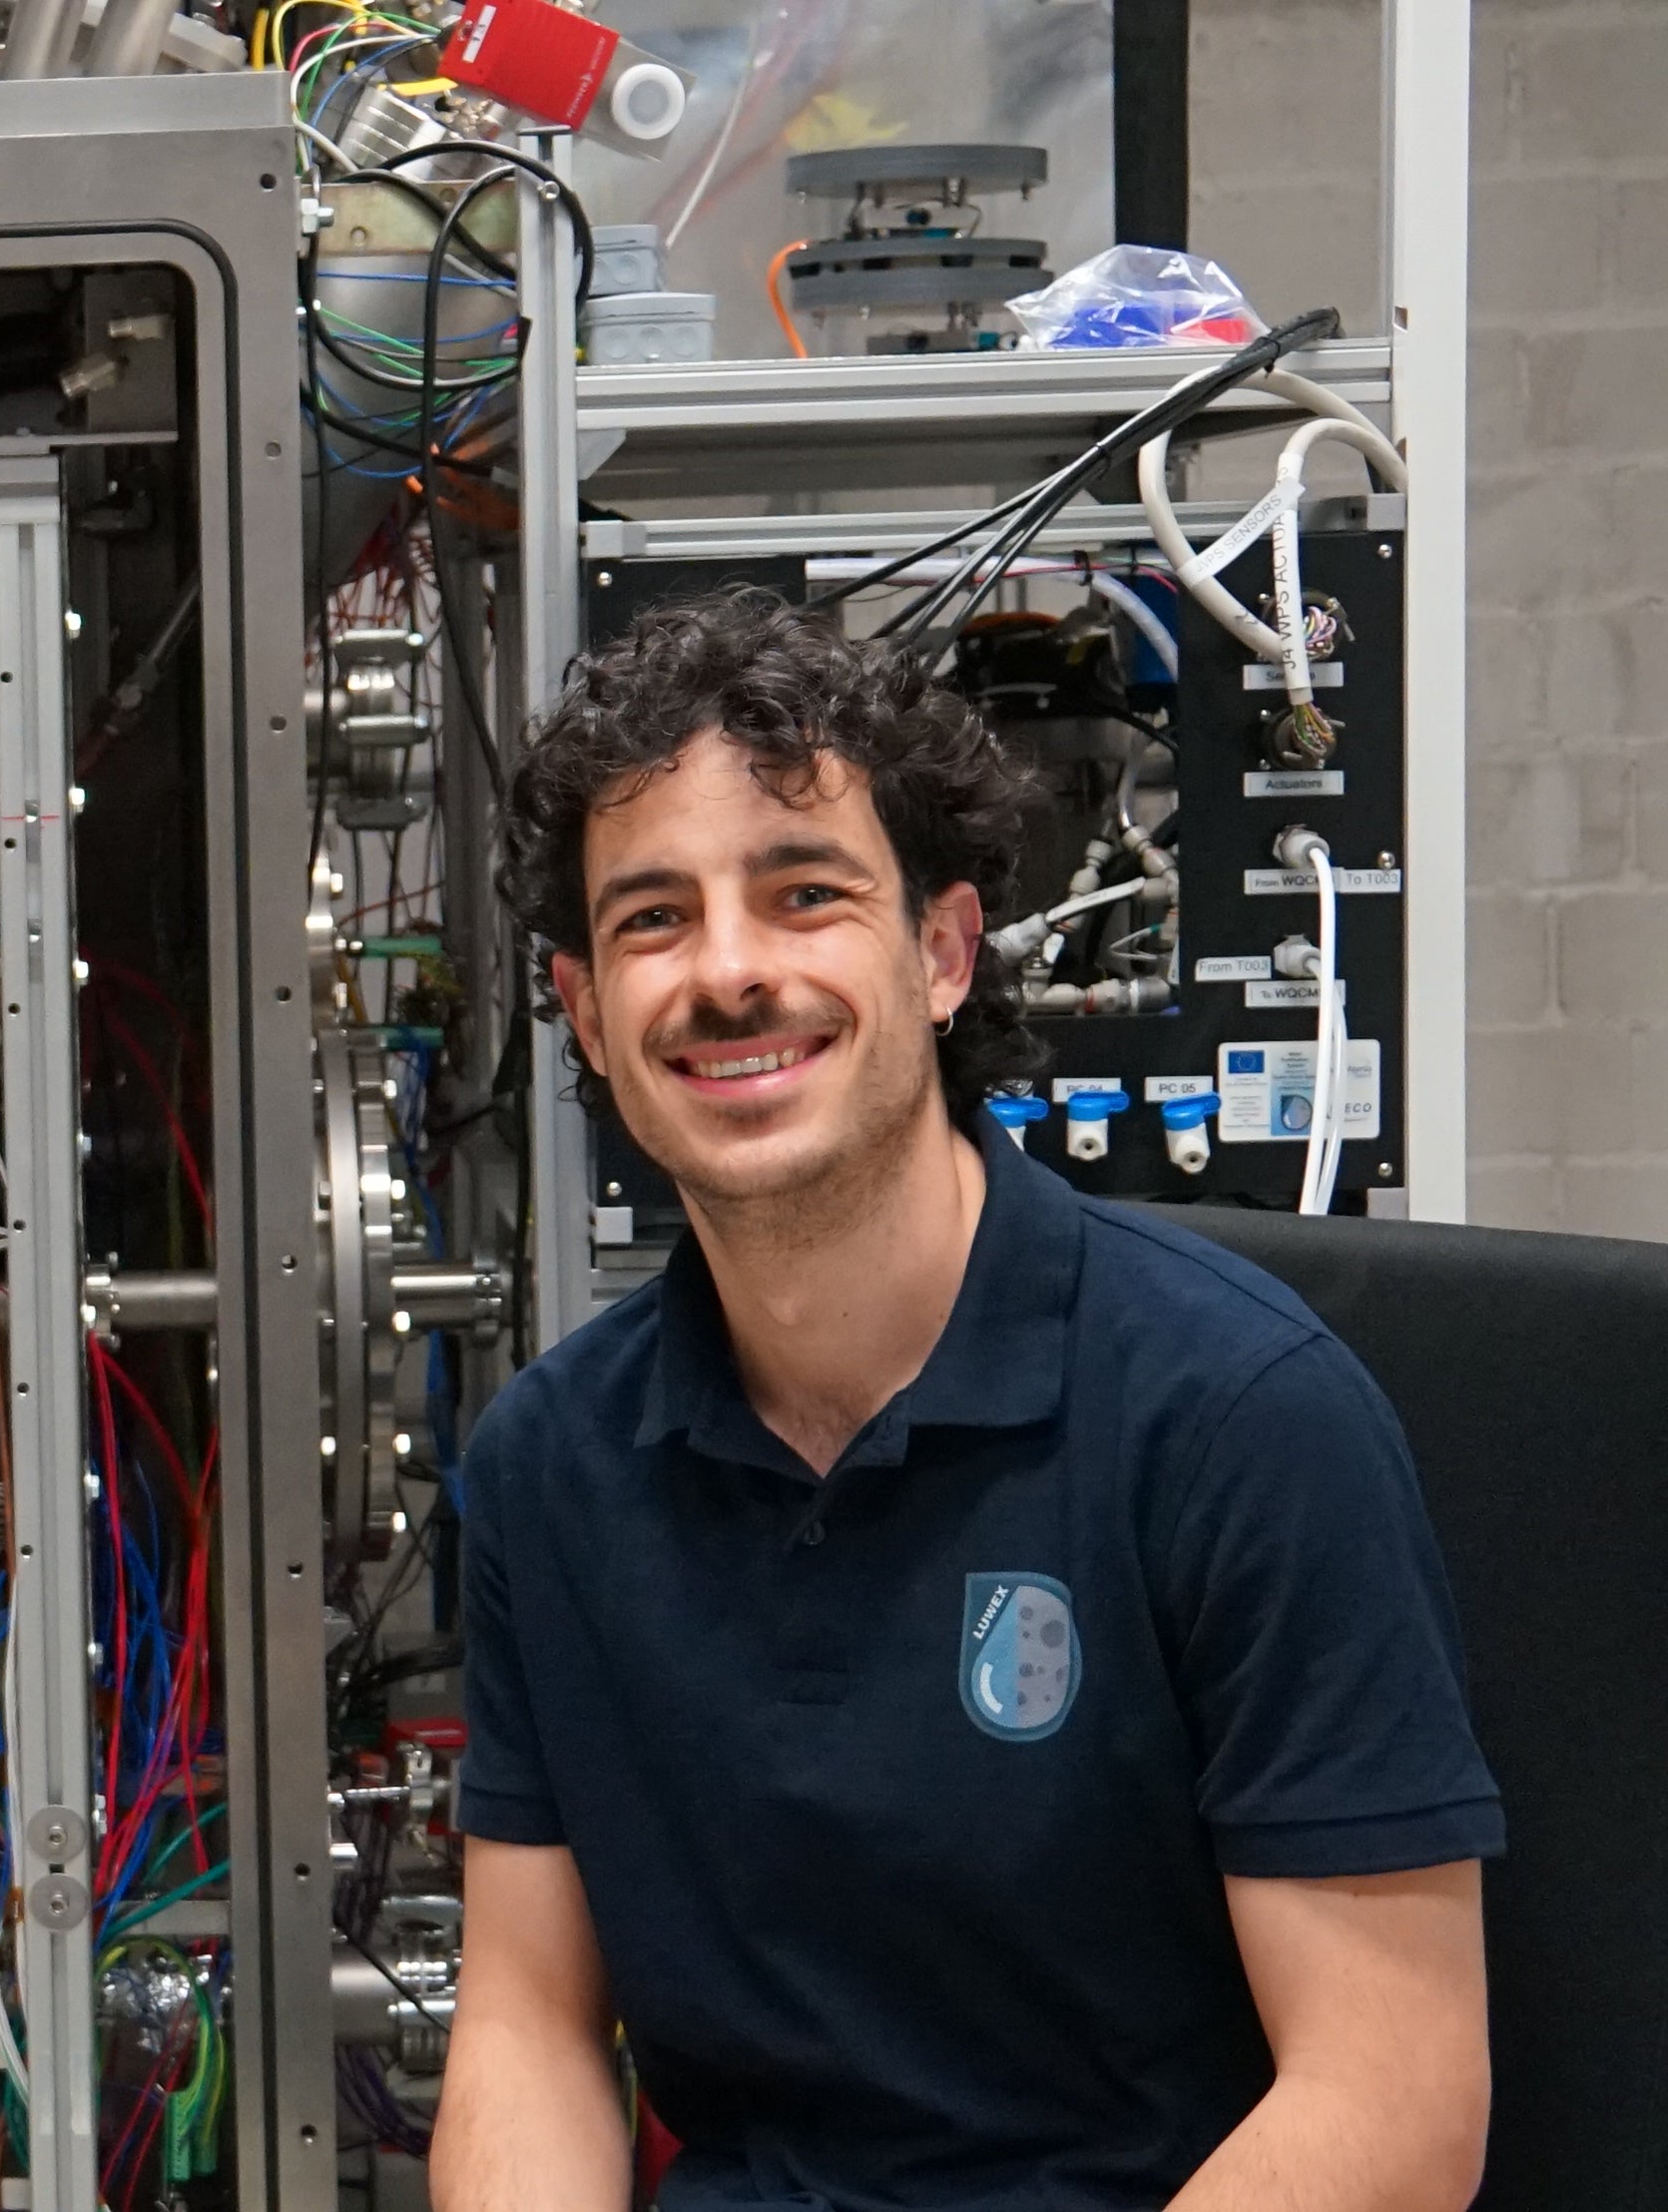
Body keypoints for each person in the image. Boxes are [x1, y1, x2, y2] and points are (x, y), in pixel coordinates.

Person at [434, 589, 1499, 2212]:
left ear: (938, 952)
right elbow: (527, 2030)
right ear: (586, 1014)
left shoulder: (1238, 1417)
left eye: (804, 895)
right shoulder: (546, 1474)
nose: (727, 974)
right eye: (652, 919)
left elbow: (1395, 2099)